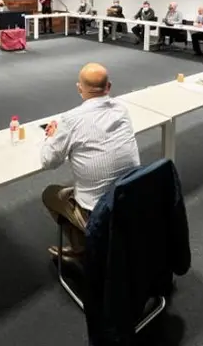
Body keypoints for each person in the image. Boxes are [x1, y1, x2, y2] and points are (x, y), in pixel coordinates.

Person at [40, 63, 140, 261]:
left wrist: (52, 137)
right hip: (132, 198)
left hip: (98, 211)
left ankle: (82, 250)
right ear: (108, 87)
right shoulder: (122, 109)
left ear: (79, 89)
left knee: (51, 194)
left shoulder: (71, 120)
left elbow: (48, 162)